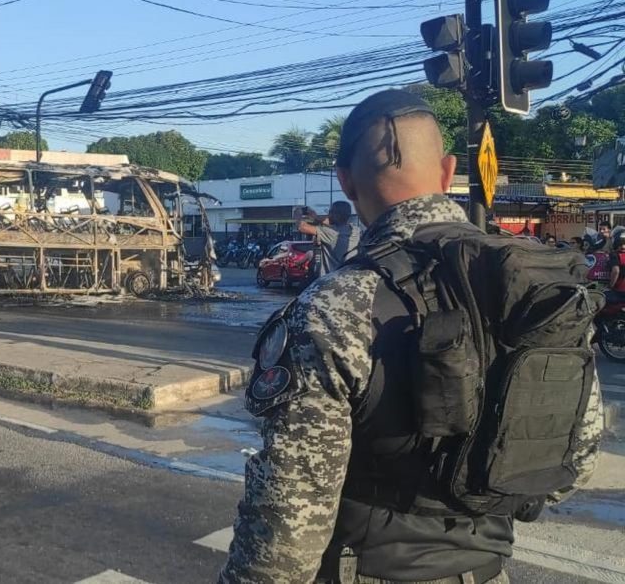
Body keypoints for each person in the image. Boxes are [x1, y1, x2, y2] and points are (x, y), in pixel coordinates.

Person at [220, 89, 604, 584]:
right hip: (487, 571)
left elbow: (291, 514)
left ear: (347, 183)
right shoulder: (535, 282)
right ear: (446, 172)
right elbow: (576, 457)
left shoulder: (337, 306)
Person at [297, 201, 360, 276]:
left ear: (336, 215)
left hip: (331, 280)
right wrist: (315, 217)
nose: (328, 214)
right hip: (349, 276)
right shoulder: (356, 231)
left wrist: (297, 214)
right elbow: (330, 224)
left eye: (330, 211)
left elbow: (302, 227)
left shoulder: (331, 233)